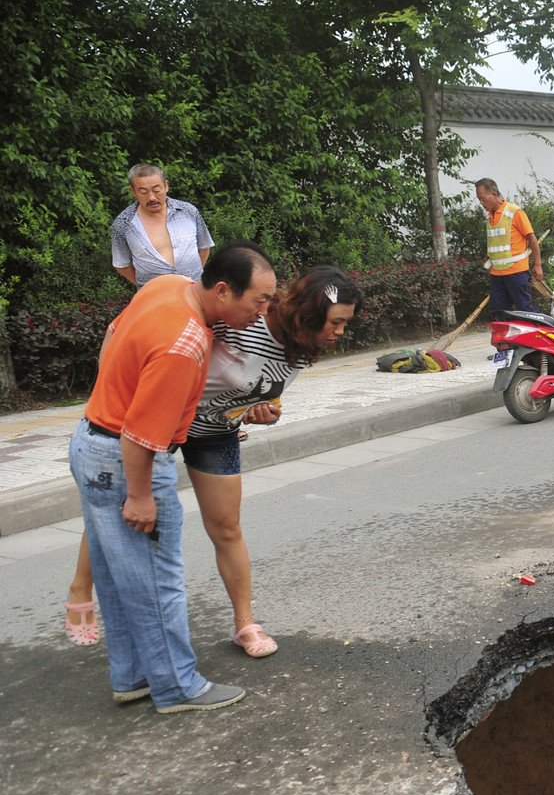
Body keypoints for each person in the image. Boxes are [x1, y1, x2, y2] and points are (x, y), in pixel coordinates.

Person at [64, 268, 363, 659]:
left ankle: (245, 623)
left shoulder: (303, 346)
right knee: (116, 509)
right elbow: (133, 336)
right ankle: (80, 588)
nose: (341, 332)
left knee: (227, 527)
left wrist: (267, 410)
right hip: (163, 422)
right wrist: (113, 391)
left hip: (217, 431)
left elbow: (265, 389)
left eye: (345, 323)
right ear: (309, 312)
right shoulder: (240, 318)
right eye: (337, 322)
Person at [68, 240, 276, 714]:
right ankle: (178, 686)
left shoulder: (167, 286)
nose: (264, 312)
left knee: (118, 575)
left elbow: (113, 332)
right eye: (259, 301)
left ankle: (133, 676)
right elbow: (140, 438)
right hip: (124, 460)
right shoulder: (185, 344)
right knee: (157, 579)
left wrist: (114, 390)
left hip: (90, 441)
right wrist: (140, 496)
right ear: (223, 290)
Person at [110, 164, 214, 288]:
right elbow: (122, 264)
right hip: (153, 298)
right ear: (133, 191)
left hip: (194, 292)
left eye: (156, 190)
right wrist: (145, 286)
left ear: (166, 186)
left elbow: (204, 247)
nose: (152, 197)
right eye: (143, 192)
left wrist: (194, 276)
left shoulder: (188, 211)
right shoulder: (123, 224)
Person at [475, 178, 543, 314]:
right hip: (496, 273)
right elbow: (497, 241)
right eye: (479, 199)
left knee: (525, 311)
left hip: (516, 272)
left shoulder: (514, 212)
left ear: (494, 194)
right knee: (499, 313)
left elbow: (532, 239)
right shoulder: (489, 217)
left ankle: (536, 333)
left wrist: (537, 265)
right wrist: (490, 256)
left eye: (483, 198)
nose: (481, 203)